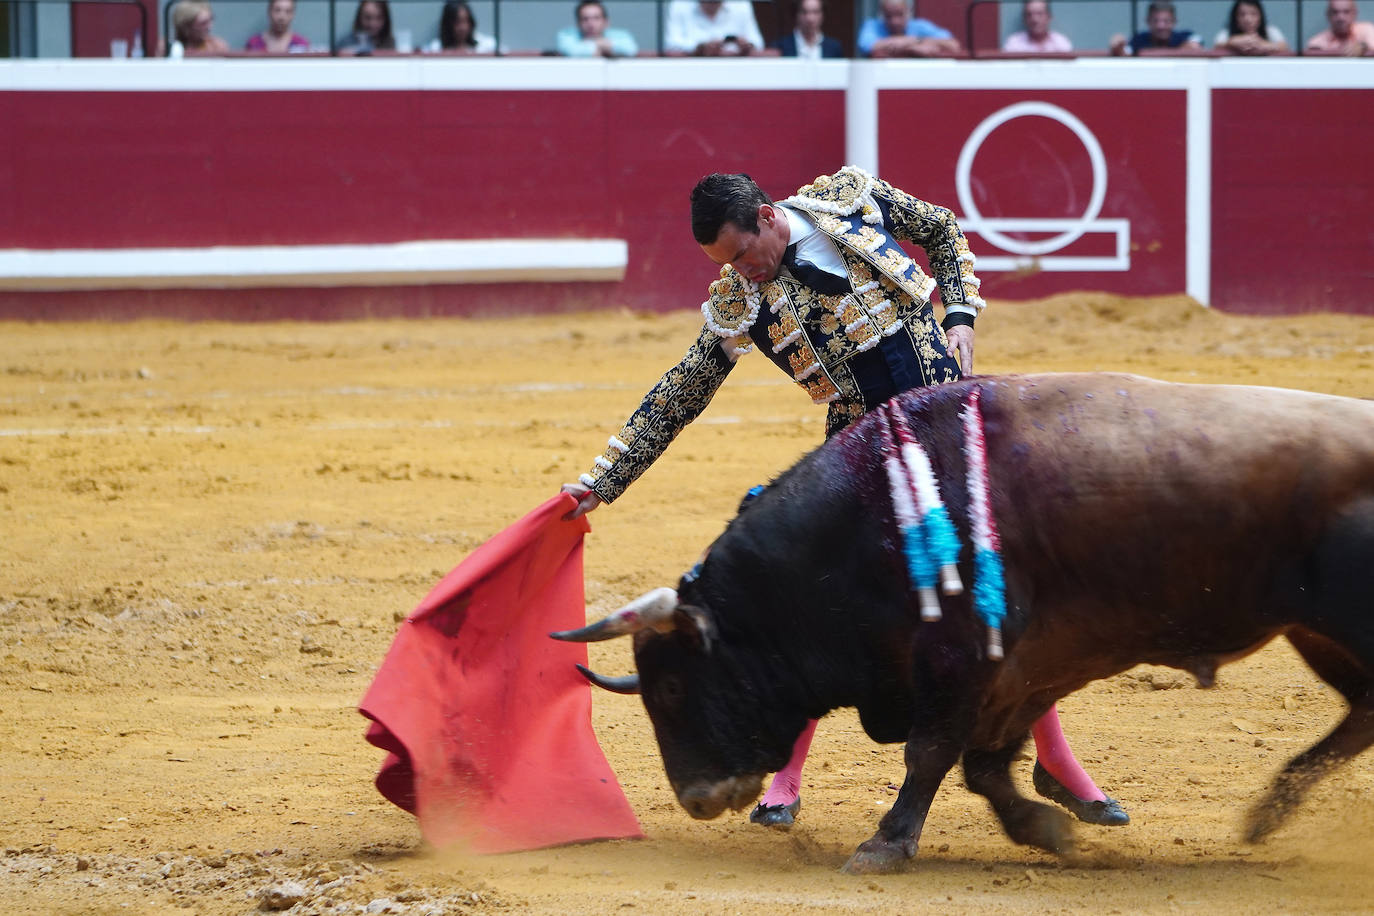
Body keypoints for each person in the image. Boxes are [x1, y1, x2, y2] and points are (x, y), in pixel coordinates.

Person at [561, 166, 1130, 831]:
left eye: (743, 255)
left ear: (769, 217)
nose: (741, 273)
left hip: (954, 436)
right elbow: (683, 390)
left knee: (995, 591)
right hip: (860, 452)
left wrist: (963, 316)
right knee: (810, 598)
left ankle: (1055, 761)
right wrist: (603, 481)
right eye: (725, 264)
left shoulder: (850, 200)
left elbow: (943, 230)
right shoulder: (740, 300)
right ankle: (785, 778)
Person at [858, 0, 961, 57]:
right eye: (888, 16)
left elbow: (953, 45)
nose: (894, 21)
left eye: (899, 15)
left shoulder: (920, 26)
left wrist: (913, 40)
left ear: (908, 11)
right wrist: (912, 47)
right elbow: (867, 46)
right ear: (881, 14)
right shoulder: (872, 25)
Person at [663, 0, 766, 56]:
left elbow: (758, 43)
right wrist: (699, 48)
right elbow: (671, 45)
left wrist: (746, 46)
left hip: (735, 71)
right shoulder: (680, 4)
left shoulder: (741, 5)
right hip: (693, 72)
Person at [1110, 0, 1201, 54]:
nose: (1161, 26)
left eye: (1166, 21)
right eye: (1156, 21)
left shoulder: (1184, 37)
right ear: (1148, 21)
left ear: (1174, 22)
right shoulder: (1139, 40)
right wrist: (1118, 46)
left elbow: (1196, 44)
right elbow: (1125, 52)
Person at [557, 0, 639, 57]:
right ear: (578, 23)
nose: (591, 24)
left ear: (606, 22)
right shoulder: (566, 34)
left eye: (596, 18)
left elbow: (630, 49)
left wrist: (590, 47)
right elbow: (571, 51)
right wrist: (601, 46)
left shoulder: (621, 35)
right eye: (585, 19)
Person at [772, 0, 845, 58]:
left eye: (815, 12)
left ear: (822, 15)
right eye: (804, 12)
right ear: (796, 14)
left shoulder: (834, 48)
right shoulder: (780, 47)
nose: (810, 19)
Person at [1212, 0, 1288, 54]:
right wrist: (1232, 42)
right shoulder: (1226, 33)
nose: (1248, 19)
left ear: (1260, 16)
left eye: (1253, 14)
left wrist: (1263, 45)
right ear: (1235, 17)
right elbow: (1216, 47)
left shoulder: (1270, 30)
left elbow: (1284, 47)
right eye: (1242, 14)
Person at [425, 0, 497, 53]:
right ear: (448, 24)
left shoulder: (485, 46)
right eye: (457, 22)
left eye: (466, 21)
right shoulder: (436, 48)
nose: (463, 27)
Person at [1306, 0, 1374, 54]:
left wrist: (1363, 47)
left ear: (1355, 14)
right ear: (1328, 15)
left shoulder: (1367, 30)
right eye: (1335, 12)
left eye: (1346, 12)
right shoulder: (1317, 43)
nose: (1341, 18)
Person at [1002, 0, 1072, 52]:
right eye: (1029, 15)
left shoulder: (1061, 43)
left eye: (1039, 14)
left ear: (1049, 17)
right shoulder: (1013, 44)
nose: (1035, 20)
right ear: (1024, 19)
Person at [245, 0, 312, 52]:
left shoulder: (301, 44)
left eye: (287, 11)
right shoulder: (254, 44)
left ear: (293, 14)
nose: (281, 17)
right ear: (269, 11)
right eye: (277, 10)